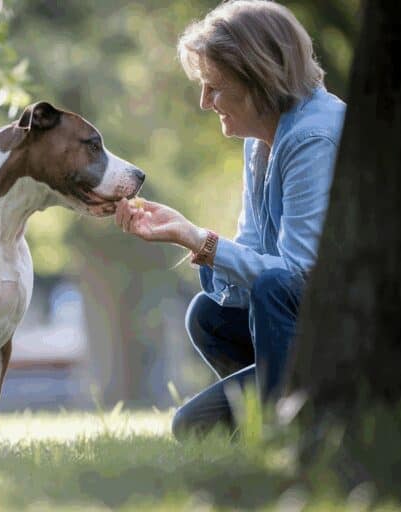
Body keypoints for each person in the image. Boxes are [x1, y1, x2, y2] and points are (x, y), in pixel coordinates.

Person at [114, 0, 346, 438]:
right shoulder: (262, 140)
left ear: (260, 79)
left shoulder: (312, 137)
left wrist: (198, 239)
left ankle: (288, 430)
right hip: (305, 327)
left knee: (191, 427)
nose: (205, 102)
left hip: (343, 336)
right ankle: (289, 413)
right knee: (207, 313)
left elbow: (297, 277)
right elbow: (253, 255)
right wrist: (188, 239)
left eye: (214, 87)